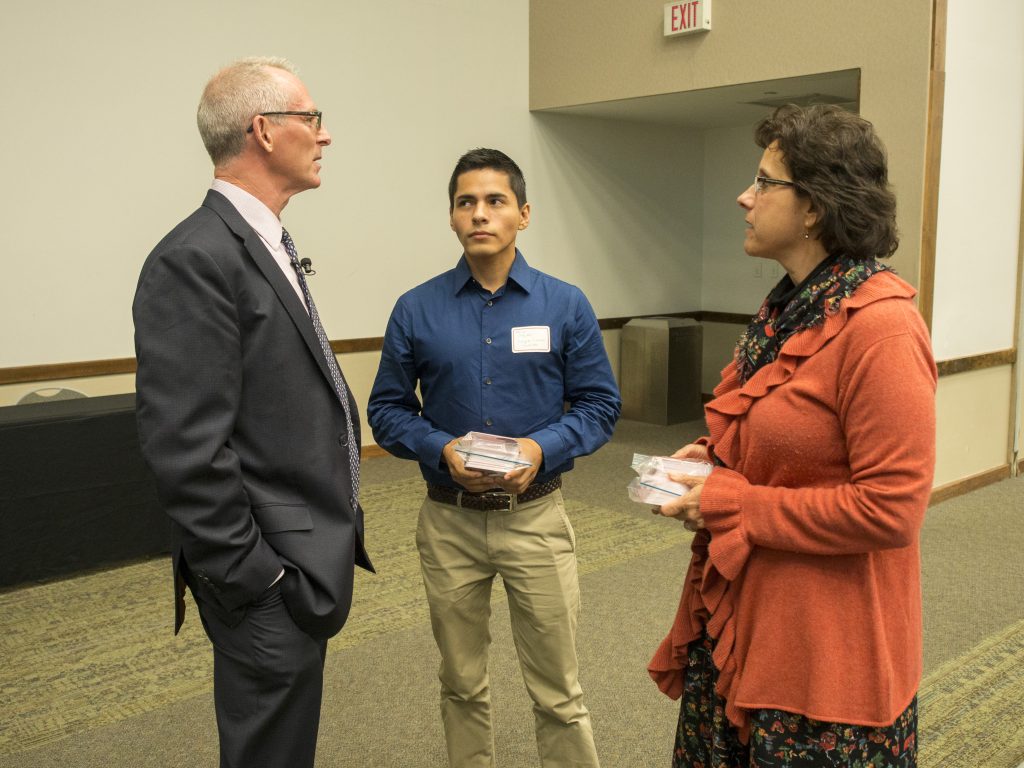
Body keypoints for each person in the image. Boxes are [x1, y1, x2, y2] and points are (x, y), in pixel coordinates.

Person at [648, 104, 936, 768]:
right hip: (756, 617)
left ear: (814, 207)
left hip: (827, 657)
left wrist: (730, 501)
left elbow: (891, 508)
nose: (743, 197)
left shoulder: (880, 326)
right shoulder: (789, 306)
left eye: (764, 181)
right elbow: (782, 436)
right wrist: (713, 457)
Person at [133, 57, 373, 768]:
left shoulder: (265, 241)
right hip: (267, 576)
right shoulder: (196, 258)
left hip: (300, 557)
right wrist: (257, 578)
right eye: (311, 119)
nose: (323, 136)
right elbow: (185, 449)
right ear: (264, 131)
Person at [368, 148, 620, 767]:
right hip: (449, 522)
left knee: (559, 690)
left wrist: (542, 447)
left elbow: (598, 406)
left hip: (535, 518)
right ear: (453, 218)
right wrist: (439, 448)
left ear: (523, 214)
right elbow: (387, 411)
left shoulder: (564, 305)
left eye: (495, 201)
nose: (480, 214)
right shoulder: (416, 309)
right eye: (466, 203)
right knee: (461, 682)